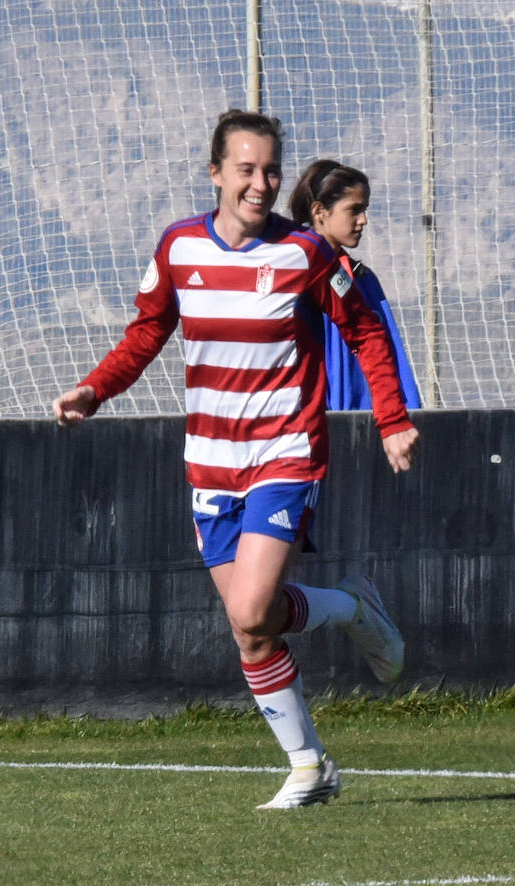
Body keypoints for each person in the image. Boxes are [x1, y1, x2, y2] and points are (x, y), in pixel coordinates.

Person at [51, 110, 421, 810]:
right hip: (210, 465)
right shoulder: (179, 247)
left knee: (251, 608)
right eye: (246, 169)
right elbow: (146, 333)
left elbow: (366, 333)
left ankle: (349, 611)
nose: (260, 183)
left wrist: (392, 419)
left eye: (271, 170)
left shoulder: (306, 253)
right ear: (216, 173)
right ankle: (310, 763)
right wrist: (95, 390)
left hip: (286, 453)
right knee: (251, 630)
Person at [287, 158, 422, 411]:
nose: (364, 220)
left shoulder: (363, 280)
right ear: (320, 211)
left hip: (365, 422)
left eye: (365, 209)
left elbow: (391, 356)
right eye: (355, 210)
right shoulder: (290, 277)